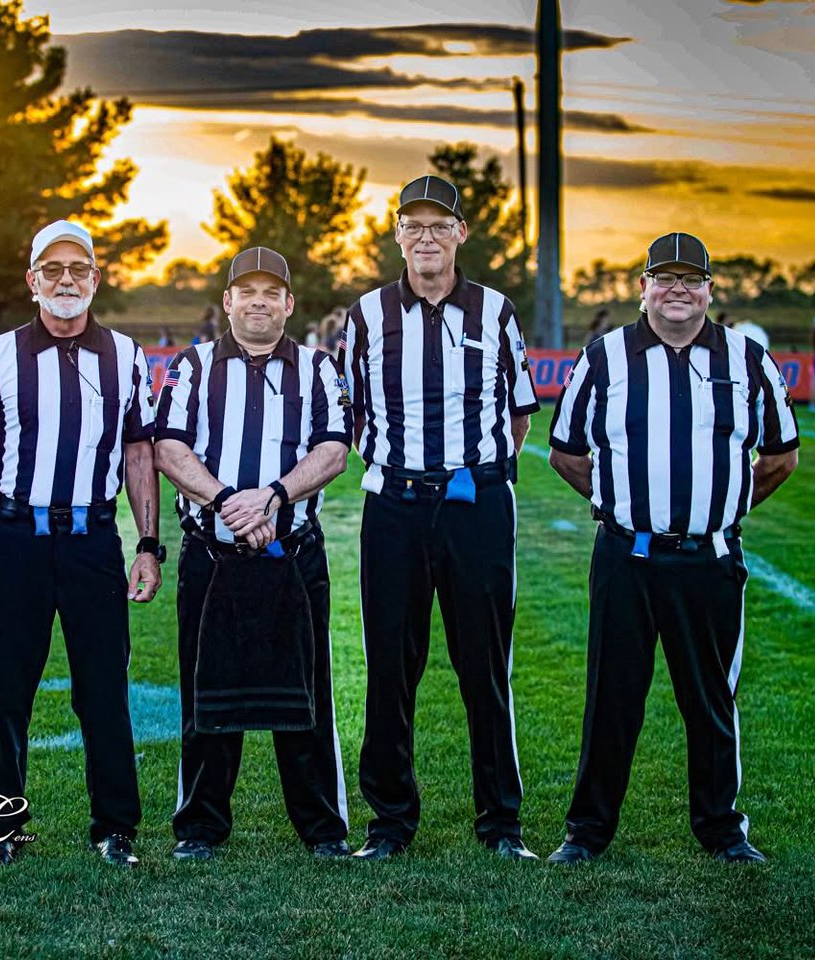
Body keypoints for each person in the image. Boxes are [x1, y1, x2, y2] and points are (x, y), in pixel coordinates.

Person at [546, 232, 799, 865]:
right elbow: (566, 454)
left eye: (691, 279)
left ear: (710, 289)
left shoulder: (746, 360)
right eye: (666, 278)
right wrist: (623, 508)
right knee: (612, 697)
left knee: (711, 699)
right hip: (626, 557)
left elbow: (780, 456)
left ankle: (721, 830)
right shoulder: (603, 357)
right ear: (644, 287)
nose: (678, 290)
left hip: (709, 559)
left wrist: (721, 511)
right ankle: (586, 832)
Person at [340, 174, 541, 861]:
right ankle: (390, 821)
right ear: (397, 234)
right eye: (413, 225)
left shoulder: (497, 312)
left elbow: (518, 415)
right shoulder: (366, 315)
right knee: (391, 665)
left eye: (438, 224)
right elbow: (354, 412)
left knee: (484, 664)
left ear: (460, 232)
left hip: (474, 506)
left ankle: (501, 823)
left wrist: (473, 473)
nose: (426, 237)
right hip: (392, 505)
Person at [0, 220, 162, 869]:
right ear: (33, 280)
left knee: (102, 689)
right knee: (6, 690)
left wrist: (149, 543)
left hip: (91, 540)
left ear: (95, 278)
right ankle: (0, 822)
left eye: (78, 268)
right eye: (53, 269)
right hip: (15, 537)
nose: (66, 280)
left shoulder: (125, 356)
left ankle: (115, 827)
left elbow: (137, 453)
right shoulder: (0, 354)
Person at [154, 246, 352, 861]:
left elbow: (334, 450)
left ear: (289, 304)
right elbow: (169, 447)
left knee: (307, 690)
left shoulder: (318, 368)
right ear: (228, 302)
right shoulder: (191, 367)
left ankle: (323, 829)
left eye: (272, 293)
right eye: (248, 292)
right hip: (211, 557)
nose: (259, 302)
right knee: (204, 691)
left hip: (292, 553)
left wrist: (271, 497)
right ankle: (200, 828)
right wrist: (225, 504)